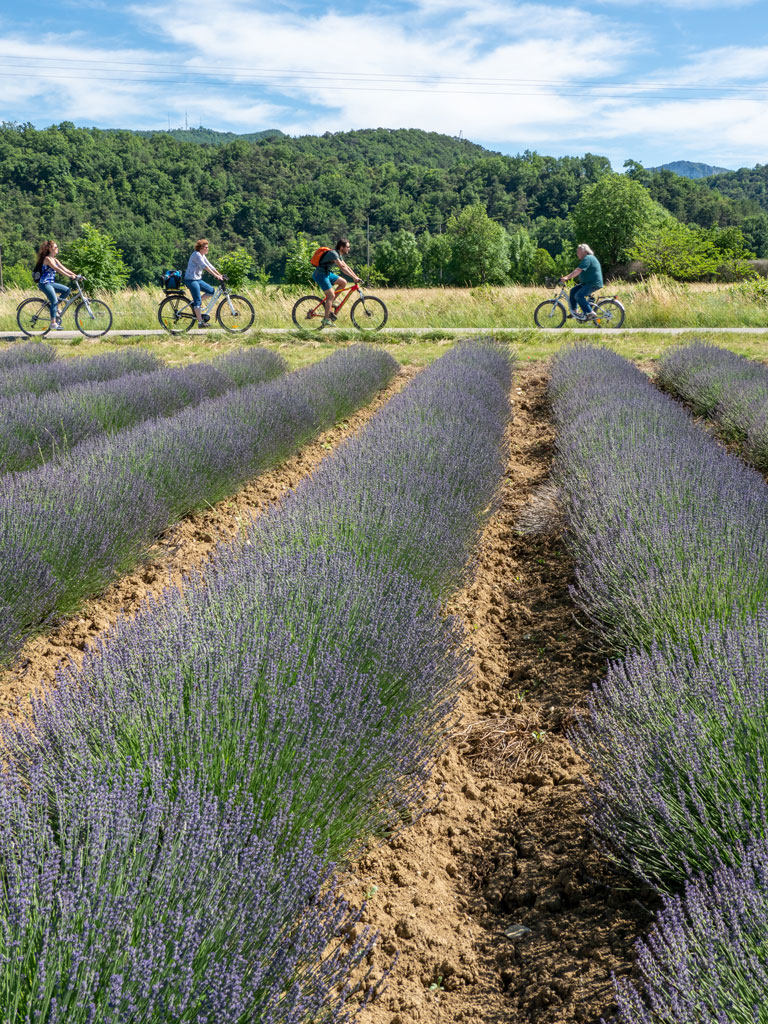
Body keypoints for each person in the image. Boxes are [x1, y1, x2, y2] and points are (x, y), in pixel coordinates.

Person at [312, 238, 361, 327]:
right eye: (347, 247)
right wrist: (354, 278)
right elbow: (342, 268)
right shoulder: (333, 254)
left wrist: (356, 277)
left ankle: (330, 303)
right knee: (331, 295)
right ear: (341, 247)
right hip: (320, 275)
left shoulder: (338, 254)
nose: (349, 249)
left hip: (327, 274)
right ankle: (326, 319)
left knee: (343, 282)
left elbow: (346, 266)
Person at [33, 241, 79, 330]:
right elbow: (57, 269)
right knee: (54, 301)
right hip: (44, 284)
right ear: (50, 249)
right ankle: (53, 323)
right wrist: (69, 276)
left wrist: (76, 275)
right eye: (55, 247)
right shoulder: (47, 259)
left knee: (67, 290)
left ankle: (54, 308)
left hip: (51, 283)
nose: (57, 249)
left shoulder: (55, 259)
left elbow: (64, 268)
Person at [184, 238, 224, 327]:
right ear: (201, 248)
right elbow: (205, 267)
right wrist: (215, 276)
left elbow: (210, 265)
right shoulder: (197, 254)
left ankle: (195, 305)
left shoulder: (202, 255)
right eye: (206, 247)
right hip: (191, 280)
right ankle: (200, 322)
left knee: (211, 291)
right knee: (198, 301)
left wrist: (220, 275)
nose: (208, 249)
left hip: (197, 279)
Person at [560, 244, 603, 321]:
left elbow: (578, 270)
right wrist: (567, 277)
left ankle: (590, 312)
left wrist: (567, 277)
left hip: (593, 283)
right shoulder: (586, 259)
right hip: (587, 283)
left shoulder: (588, 258)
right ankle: (574, 312)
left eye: (578, 251)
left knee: (579, 295)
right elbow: (578, 271)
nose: (577, 253)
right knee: (573, 291)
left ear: (584, 251)